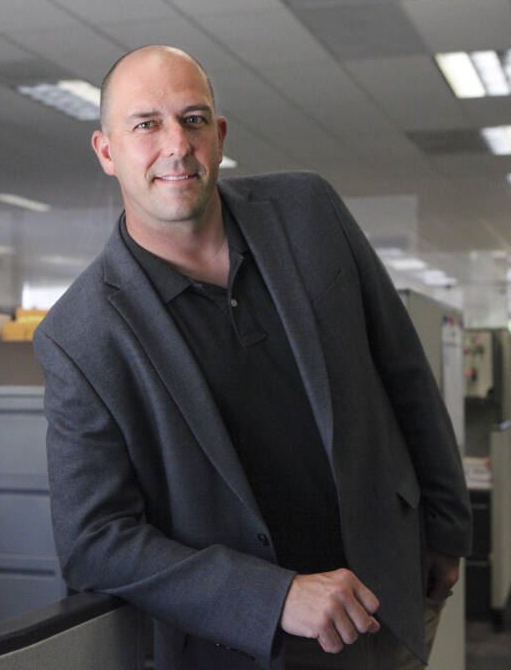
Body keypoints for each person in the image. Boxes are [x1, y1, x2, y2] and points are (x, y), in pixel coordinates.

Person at [34, 45, 471, 670]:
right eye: (145, 125)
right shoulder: (80, 337)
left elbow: (401, 368)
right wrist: (275, 597)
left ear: (219, 133)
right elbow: (94, 541)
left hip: (389, 596)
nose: (176, 146)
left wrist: (448, 530)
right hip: (248, 645)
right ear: (106, 151)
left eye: (192, 119)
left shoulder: (307, 211)